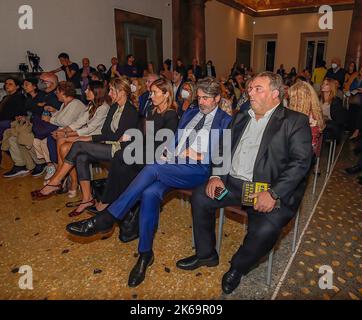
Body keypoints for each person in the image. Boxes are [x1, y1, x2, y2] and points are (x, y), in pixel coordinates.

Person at [66, 77, 232, 287]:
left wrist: (198, 155)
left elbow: (223, 156)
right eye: (199, 97)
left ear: (217, 98)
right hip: (173, 164)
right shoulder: (190, 113)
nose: (202, 102)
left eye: (207, 98)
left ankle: (107, 218)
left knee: (152, 168)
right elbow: (175, 140)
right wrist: (167, 152)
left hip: (198, 170)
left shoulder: (225, 120)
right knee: (149, 193)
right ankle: (145, 254)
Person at [175, 72, 313, 294]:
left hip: (265, 190)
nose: (250, 92)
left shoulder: (294, 121)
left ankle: (237, 267)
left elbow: (301, 163)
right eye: (250, 88)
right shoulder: (241, 116)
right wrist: (216, 175)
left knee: (266, 228)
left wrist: (274, 193)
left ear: (275, 94)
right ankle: (206, 254)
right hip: (232, 186)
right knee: (201, 197)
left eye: (258, 89)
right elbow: (222, 148)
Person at [31, 77, 138, 216]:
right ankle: (86, 199)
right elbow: (106, 132)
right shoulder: (114, 107)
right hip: (108, 144)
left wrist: (88, 137)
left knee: (78, 145)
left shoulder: (130, 110)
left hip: (122, 150)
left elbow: (115, 136)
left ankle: (56, 181)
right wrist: (88, 137)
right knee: (80, 156)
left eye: (112, 90)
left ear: (122, 92)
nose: (109, 93)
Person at [93, 78, 179, 217]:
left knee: (123, 160)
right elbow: (147, 137)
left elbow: (163, 144)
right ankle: (114, 201)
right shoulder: (152, 110)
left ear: (166, 94)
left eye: (154, 93)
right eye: (150, 92)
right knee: (120, 157)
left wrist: (137, 149)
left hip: (159, 155)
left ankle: (111, 202)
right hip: (147, 150)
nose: (151, 96)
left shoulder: (171, 115)